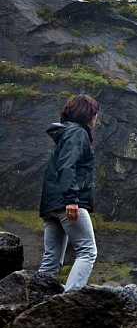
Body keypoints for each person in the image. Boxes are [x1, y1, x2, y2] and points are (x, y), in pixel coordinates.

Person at [38, 94, 100, 291]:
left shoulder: (65, 134)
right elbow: (68, 166)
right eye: (95, 113)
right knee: (87, 251)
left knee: (51, 261)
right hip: (68, 203)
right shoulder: (78, 134)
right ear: (88, 115)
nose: (96, 118)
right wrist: (72, 200)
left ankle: (33, 299)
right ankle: (70, 299)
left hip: (51, 206)